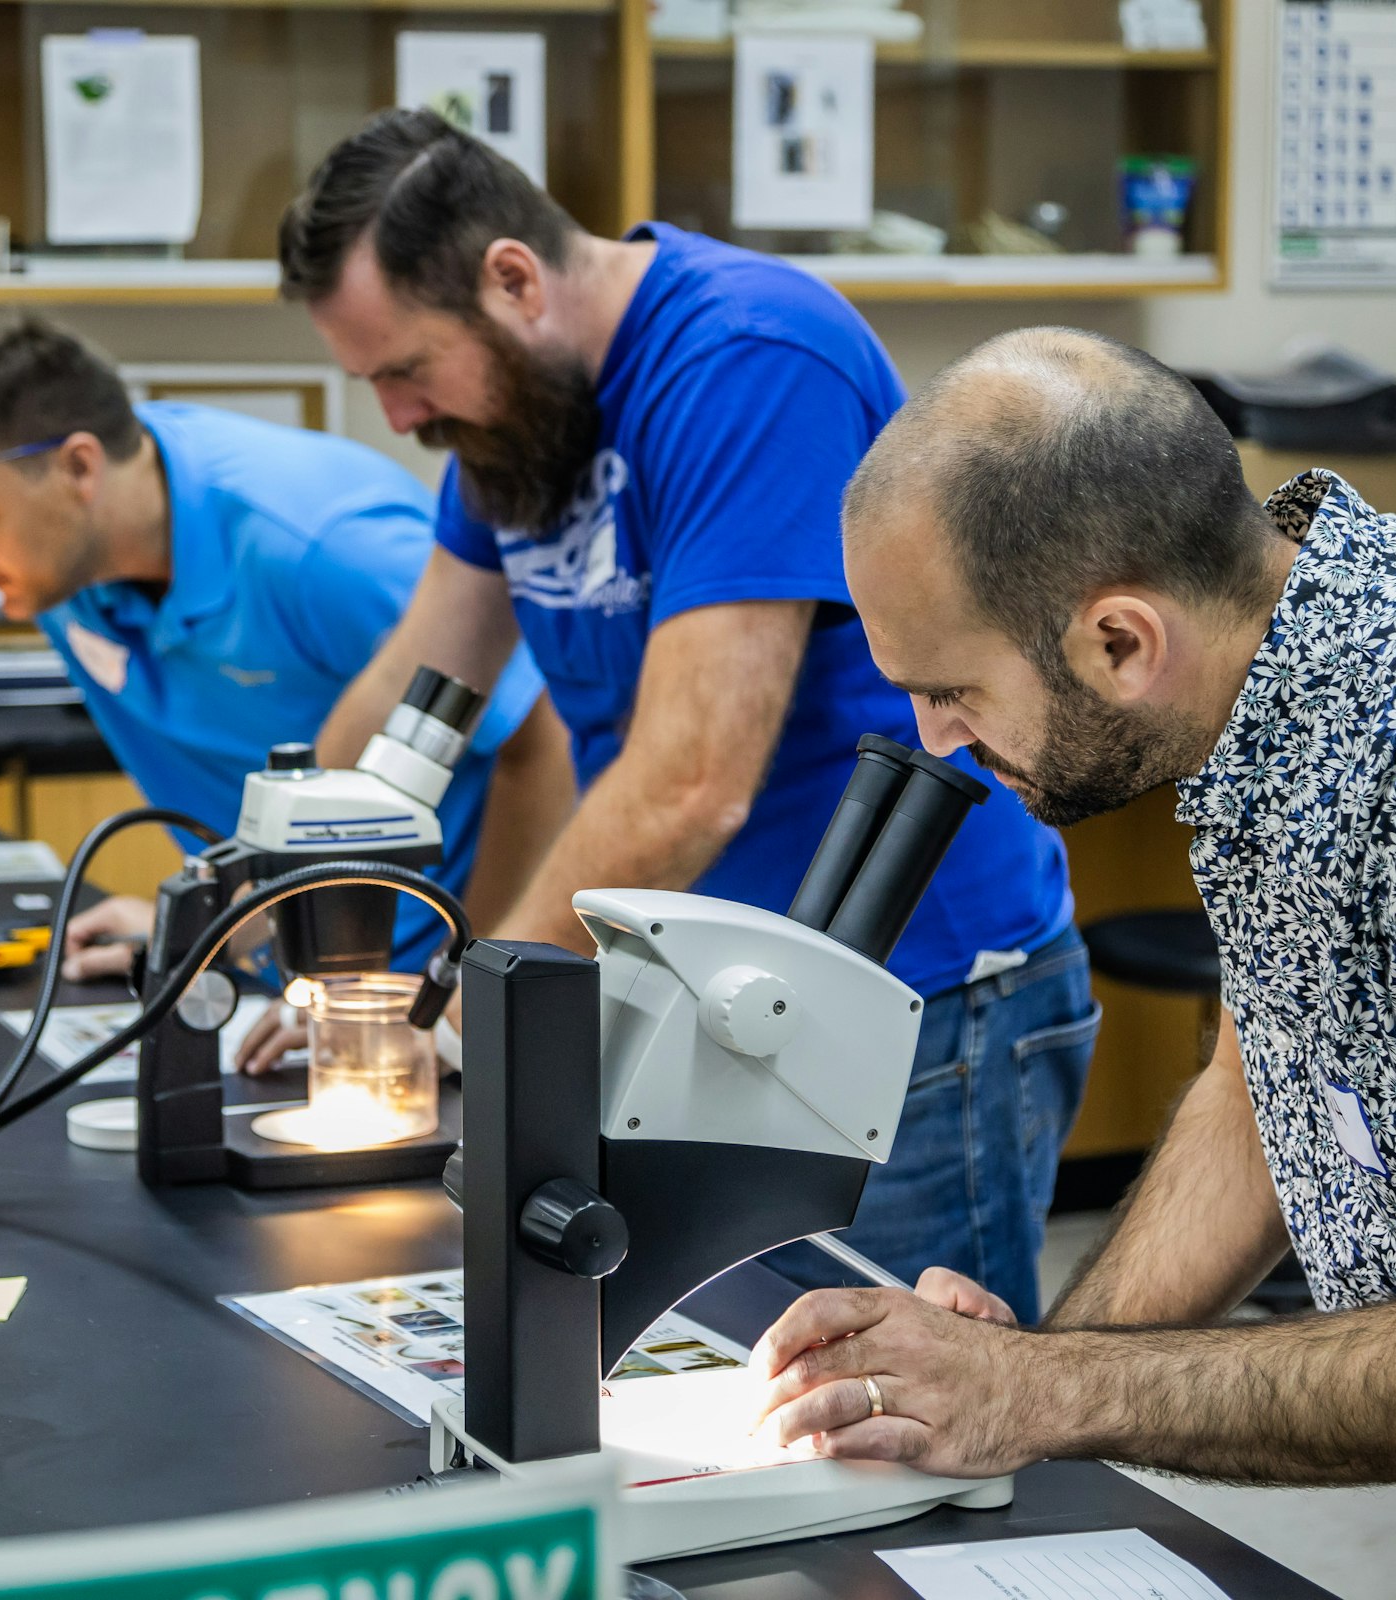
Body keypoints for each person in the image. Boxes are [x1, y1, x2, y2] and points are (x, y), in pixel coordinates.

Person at [750, 327, 1396, 1594]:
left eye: (949, 690)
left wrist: (1051, 1391)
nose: (933, 742)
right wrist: (1042, 1364)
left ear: (1118, 641)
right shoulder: (1279, 661)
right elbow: (1263, 1072)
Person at [260, 108, 1093, 1320]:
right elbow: (422, 675)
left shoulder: (748, 359)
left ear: (512, 279)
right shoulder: (515, 421)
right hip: (708, 991)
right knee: (728, 1387)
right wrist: (265, 905)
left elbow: (694, 778)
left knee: (902, 1420)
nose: (397, 417)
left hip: (904, 996)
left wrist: (469, 1012)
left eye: (403, 369)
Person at [0, 317, 568, 974]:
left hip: (402, 956)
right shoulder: (45, 545)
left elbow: (544, 740)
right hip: (264, 942)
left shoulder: (322, 549)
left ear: (77, 467)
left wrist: (470, 978)